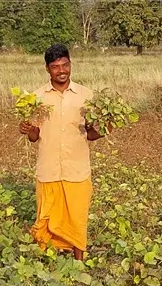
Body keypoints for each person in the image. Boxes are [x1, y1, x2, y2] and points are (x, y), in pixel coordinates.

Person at [18, 44, 104, 261]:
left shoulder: (86, 96)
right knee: (46, 219)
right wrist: (29, 130)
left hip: (77, 170)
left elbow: (92, 134)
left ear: (70, 65)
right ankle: (46, 261)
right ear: (47, 69)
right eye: (56, 67)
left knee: (77, 218)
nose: (61, 70)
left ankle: (78, 262)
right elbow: (34, 137)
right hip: (49, 169)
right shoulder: (36, 98)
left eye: (65, 65)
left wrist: (105, 128)